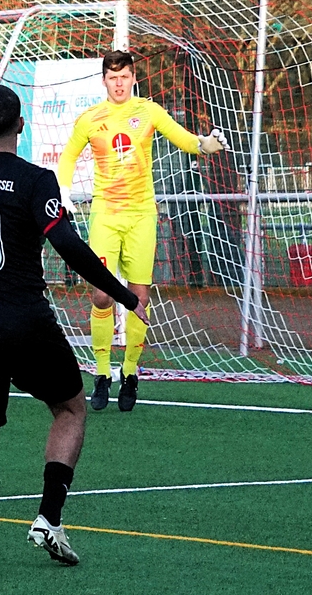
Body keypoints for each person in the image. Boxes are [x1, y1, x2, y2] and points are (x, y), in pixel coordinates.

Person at [0, 85, 148, 576]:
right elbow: (68, 245)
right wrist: (125, 296)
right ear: (20, 125)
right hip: (27, 323)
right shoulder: (35, 180)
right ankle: (49, 518)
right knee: (71, 408)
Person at [57, 50, 226, 412]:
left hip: (142, 216)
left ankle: (130, 372)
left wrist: (206, 145)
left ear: (134, 78)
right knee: (101, 295)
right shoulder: (90, 118)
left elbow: (185, 139)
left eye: (124, 77)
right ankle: (102, 373)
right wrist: (64, 192)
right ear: (104, 80)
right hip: (105, 215)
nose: (118, 84)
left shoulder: (149, 111)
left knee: (139, 297)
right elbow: (68, 156)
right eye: (112, 78)